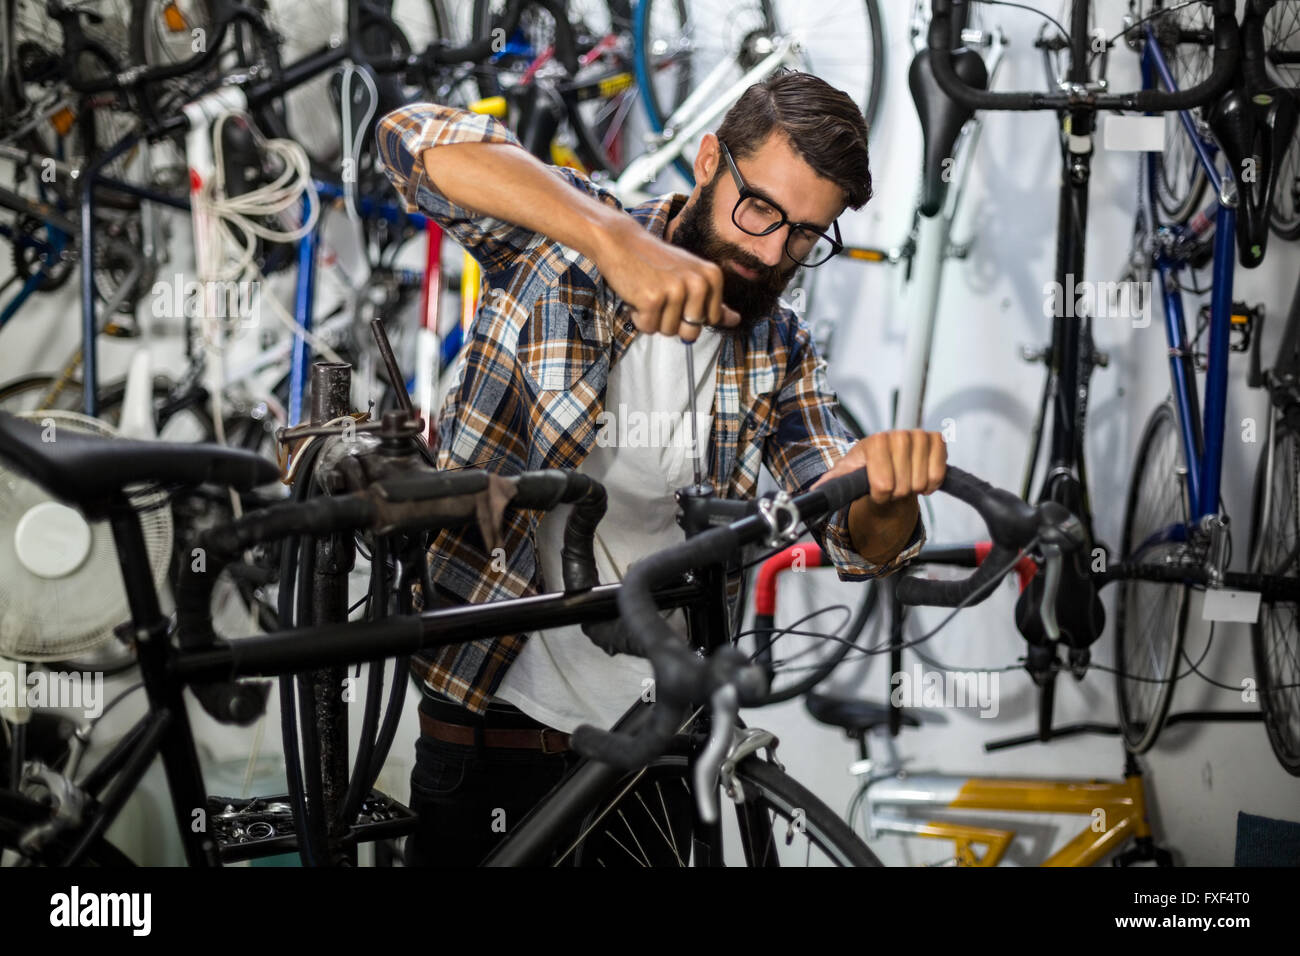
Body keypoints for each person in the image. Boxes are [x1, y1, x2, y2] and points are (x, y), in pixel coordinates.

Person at [375, 69, 947, 866]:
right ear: (709, 159)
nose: (772, 251)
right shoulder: (563, 238)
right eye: (760, 210)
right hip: (495, 729)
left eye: (806, 236)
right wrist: (609, 239)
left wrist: (886, 486)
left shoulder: (779, 348)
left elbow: (863, 539)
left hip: (663, 745)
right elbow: (407, 139)